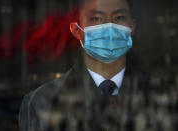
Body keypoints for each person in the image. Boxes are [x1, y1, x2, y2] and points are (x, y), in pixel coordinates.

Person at [19, 0, 177, 131]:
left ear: (132, 27)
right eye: (97, 19)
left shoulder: (166, 97)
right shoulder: (41, 102)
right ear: (77, 30)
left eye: (119, 17)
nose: (109, 27)